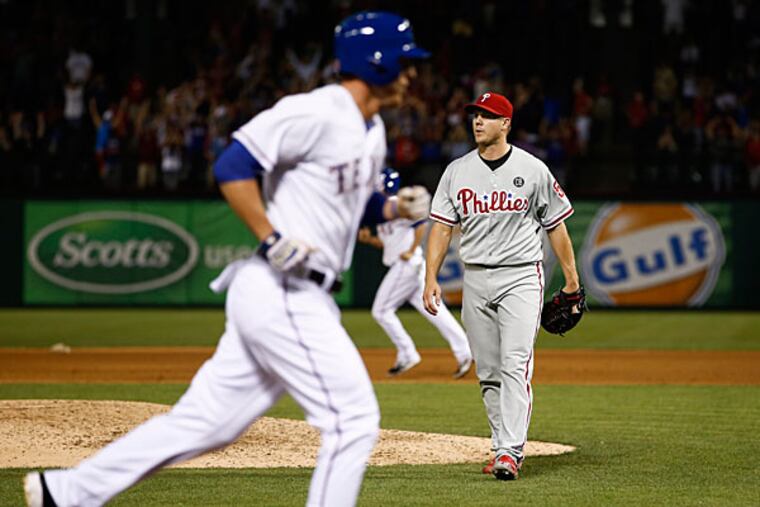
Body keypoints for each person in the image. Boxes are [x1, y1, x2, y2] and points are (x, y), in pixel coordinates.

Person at [23, 11, 431, 507]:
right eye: (405, 62)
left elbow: (355, 201)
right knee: (354, 421)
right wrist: (269, 234)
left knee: (204, 423)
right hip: (283, 288)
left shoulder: (372, 129)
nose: (412, 73)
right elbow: (233, 163)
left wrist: (391, 207)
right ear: (378, 62)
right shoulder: (317, 111)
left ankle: (65, 492)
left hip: (295, 295)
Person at [422, 91, 580, 481]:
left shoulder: (533, 168)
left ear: (506, 124)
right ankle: (500, 444)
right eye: (475, 114)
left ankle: (511, 451)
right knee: (488, 370)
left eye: (487, 116)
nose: (478, 121)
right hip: (475, 277)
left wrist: (572, 281)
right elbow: (442, 228)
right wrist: (430, 278)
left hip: (522, 276)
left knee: (514, 364)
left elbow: (556, 226)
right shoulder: (457, 170)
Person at [358, 168, 473, 378]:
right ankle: (465, 351)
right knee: (434, 309)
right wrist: (370, 240)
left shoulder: (397, 205)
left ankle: (407, 353)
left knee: (381, 311)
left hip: (407, 265)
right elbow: (389, 245)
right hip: (407, 265)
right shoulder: (384, 210)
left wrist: (411, 249)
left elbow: (421, 224)